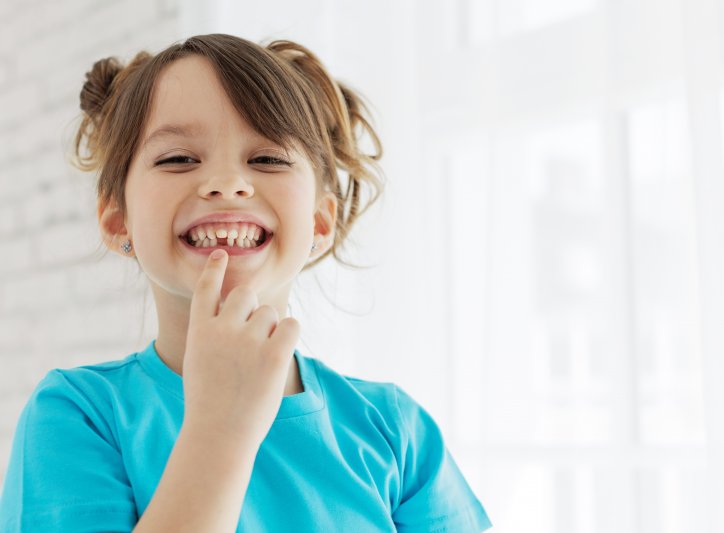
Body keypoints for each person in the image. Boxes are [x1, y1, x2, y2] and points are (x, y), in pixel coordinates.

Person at [0, 33, 492, 532]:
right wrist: (220, 428)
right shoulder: (77, 416)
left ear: (321, 224)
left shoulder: (396, 430)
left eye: (269, 159)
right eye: (177, 159)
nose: (228, 182)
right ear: (116, 220)